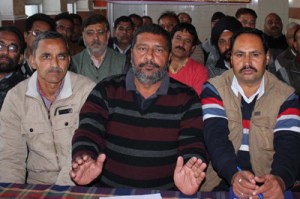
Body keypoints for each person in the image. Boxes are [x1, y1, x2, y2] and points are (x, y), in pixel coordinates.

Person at [70, 24, 208, 195]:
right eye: (142, 48)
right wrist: (85, 157)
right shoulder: (106, 89)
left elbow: (193, 142)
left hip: (164, 193)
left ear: (169, 57)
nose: (149, 57)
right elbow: (88, 130)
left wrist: (191, 166)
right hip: (110, 192)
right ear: (131, 55)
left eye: (158, 50)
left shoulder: (187, 97)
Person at [200, 28, 300, 199]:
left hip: (268, 181)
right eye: (239, 55)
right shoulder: (214, 89)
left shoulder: (286, 96)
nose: (247, 62)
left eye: (255, 54)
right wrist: (233, 175)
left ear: (267, 58)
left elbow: (289, 145)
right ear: (231, 58)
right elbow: (216, 137)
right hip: (222, 182)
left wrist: (280, 180)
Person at [0, 31, 95, 185]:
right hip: (37, 183)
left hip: (78, 180)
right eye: (46, 57)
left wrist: (58, 192)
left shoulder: (86, 90)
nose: (55, 64)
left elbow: (87, 147)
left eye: (61, 57)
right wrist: (12, 191)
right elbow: (10, 156)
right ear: (32, 61)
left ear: (69, 60)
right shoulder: (16, 97)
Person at [71, 14, 127, 83]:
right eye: (90, 33)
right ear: (83, 36)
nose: (95, 38)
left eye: (100, 33)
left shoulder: (123, 61)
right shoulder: (74, 62)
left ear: (108, 35)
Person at [169, 23, 208, 95]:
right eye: (178, 38)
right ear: (170, 41)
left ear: (192, 49)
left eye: (187, 41)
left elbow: (196, 102)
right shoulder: (158, 65)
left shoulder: (200, 71)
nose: (181, 44)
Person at [20, 13, 56, 77]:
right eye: (36, 33)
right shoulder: (17, 60)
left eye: (46, 35)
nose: (41, 38)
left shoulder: (55, 62)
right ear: (25, 36)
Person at [0, 26, 26, 110]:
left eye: (12, 48)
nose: (5, 51)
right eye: (0, 46)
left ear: (20, 58)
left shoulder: (25, 90)